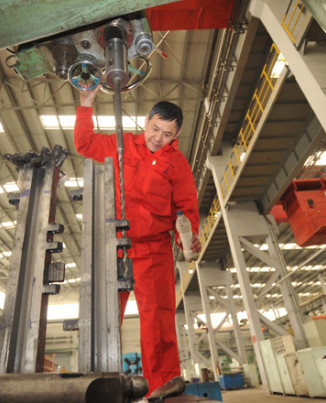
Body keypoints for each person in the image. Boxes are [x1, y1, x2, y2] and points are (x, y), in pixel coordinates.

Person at [73, 85, 202, 395]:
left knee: (158, 317)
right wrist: (86, 104)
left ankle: (163, 384)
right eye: (155, 128)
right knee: (102, 314)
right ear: (146, 121)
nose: (158, 137)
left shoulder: (178, 165)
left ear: (177, 134)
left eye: (167, 133)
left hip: (155, 247)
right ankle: (97, 383)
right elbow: (84, 143)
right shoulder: (121, 145)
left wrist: (189, 237)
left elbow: (186, 207)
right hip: (113, 244)